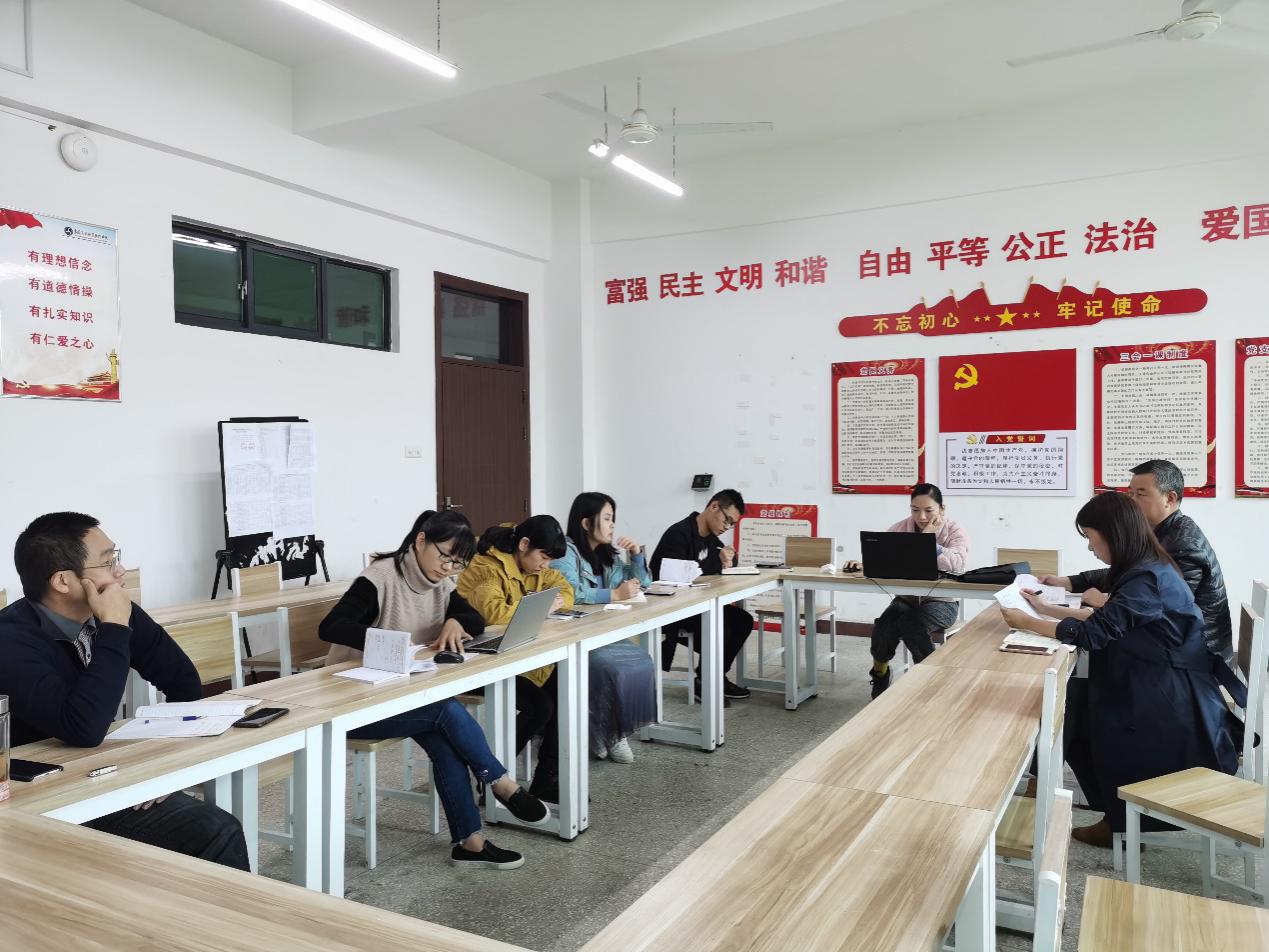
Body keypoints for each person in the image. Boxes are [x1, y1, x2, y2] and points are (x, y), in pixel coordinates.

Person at [0, 512, 249, 870]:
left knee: (213, 829)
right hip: (36, 795)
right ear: (63, 581)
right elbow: (83, 728)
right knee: (215, 832)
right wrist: (114, 626)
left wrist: (165, 767)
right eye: (108, 562)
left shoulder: (114, 613)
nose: (120, 571)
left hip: (100, 772)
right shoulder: (10, 640)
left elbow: (182, 681)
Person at [1001, 492, 1238, 847]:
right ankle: (1113, 815)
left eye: (1091, 538)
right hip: (1157, 676)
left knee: (1073, 707)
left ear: (1113, 534)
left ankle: (1120, 820)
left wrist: (1027, 622)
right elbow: (1108, 619)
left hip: (1170, 695)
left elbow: (1094, 634)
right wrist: (1046, 611)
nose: (1090, 547)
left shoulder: (1148, 578)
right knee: (1073, 702)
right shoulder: (1145, 567)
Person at [319, 509, 551, 870]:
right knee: (445, 711)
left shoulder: (441, 584)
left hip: (401, 697)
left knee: (444, 737)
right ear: (421, 540)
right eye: (445, 556)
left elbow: (474, 618)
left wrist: (456, 620)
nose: (448, 568)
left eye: (457, 563)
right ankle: (499, 781)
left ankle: (470, 844)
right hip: (353, 701)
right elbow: (331, 626)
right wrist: (388, 643)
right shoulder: (380, 577)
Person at [1039, 459, 1233, 664]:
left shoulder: (1184, 546)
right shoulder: (1164, 530)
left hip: (1194, 659)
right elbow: (1130, 573)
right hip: (1169, 649)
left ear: (1169, 498)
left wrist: (1105, 602)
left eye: (1140, 494)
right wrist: (1070, 582)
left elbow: (1164, 609)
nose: (1131, 501)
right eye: (1130, 493)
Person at [457, 515, 574, 803]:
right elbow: (493, 614)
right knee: (541, 707)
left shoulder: (533, 565)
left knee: (566, 687)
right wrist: (543, 607)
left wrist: (548, 603)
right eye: (543, 557)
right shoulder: (486, 566)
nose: (546, 565)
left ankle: (546, 779)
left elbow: (565, 589)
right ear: (523, 544)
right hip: (476, 660)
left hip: (514, 655)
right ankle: (492, 779)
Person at [553, 492, 657, 764]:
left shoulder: (606, 553)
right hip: (575, 635)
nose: (612, 525)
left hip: (602, 632)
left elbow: (643, 585)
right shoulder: (565, 552)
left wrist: (636, 556)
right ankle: (606, 732)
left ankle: (612, 730)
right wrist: (614, 594)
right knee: (612, 667)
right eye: (607, 518)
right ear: (586, 523)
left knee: (642, 661)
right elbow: (571, 592)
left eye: (613, 519)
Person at [846, 483, 970, 699]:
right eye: (915, 510)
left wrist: (928, 542)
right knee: (884, 628)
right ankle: (880, 673)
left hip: (942, 602)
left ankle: (929, 679)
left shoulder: (955, 531)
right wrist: (864, 564)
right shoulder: (900, 528)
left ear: (942, 509)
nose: (921, 517)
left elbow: (958, 564)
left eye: (928, 510)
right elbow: (885, 558)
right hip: (907, 599)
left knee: (912, 624)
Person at [649, 489, 753, 702]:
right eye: (727, 520)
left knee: (743, 620)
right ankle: (706, 681)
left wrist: (728, 560)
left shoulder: (712, 540)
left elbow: (719, 568)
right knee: (720, 626)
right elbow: (681, 578)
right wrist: (716, 562)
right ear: (714, 507)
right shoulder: (679, 534)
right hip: (672, 609)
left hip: (699, 605)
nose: (727, 527)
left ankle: (714, 676)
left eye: (732, 524)